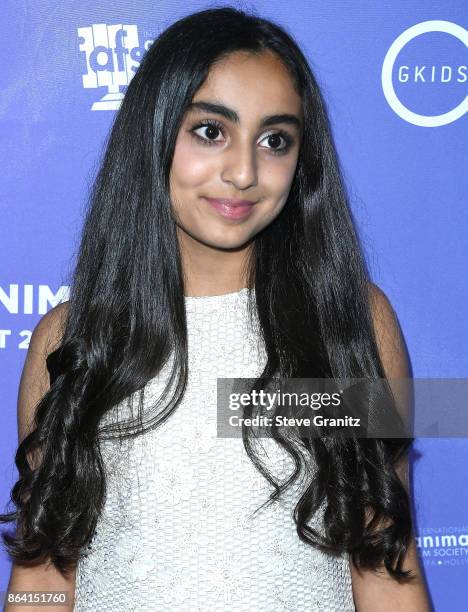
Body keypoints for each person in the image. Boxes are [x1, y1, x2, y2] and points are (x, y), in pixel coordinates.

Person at [1, 6, 432, 611]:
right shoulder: (73, 339)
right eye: (211, 130)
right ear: (154, 134)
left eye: (275, 140)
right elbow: (44, 579)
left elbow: (385, 563)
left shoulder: (350, 324)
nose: (244, 171)